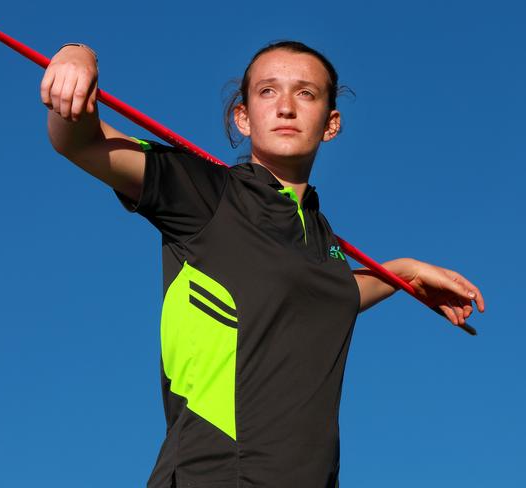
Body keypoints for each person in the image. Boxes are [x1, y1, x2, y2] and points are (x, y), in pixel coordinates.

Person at [40, 41, 485, 488]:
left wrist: (403, 273)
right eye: (268, 91)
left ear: (331, 124)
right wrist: (78, 58)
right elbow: (80, 143)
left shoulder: (323, 240)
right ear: (244, 117)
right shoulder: (206, 193)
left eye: (306, 93)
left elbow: (336, 293)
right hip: (213, 474)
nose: (287, 107)